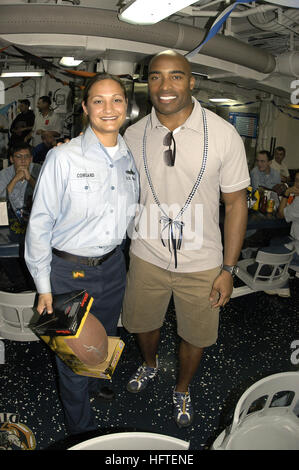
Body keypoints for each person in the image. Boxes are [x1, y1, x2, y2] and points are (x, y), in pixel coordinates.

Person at [121, 50, 250, 428]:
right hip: (146, 254)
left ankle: (182, 387)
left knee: (196, 335)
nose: (165, 86)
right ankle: (149, 363)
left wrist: (229, 268)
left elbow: (237, 203)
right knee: (142, 324)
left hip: (203, 261)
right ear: (148, 83)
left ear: (192, 82)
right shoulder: (133, 133)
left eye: (176, 76)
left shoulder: (223, 135)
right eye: (157, 77)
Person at [24, 73, 139, 436]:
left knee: (103, 338)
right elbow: (39, 225)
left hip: (112, 268)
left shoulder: (128, 159)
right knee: (73, 360)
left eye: (117, 99)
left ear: (127, 107)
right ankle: (84, 434)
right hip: (68, 272)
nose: (109, 108)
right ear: (86, 107)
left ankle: (94, 382)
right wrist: (43, 286)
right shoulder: (63, 157)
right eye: (99, 100)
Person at [0, 143, 40, 290]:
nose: (23, 161)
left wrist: (30, 179)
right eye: (19, 157)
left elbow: (47, 195)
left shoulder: (39, 170)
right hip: (9, 218)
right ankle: (18, 282)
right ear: (11, 159)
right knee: (3, 246)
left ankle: (34, 284)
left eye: (27, 157)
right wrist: (15, 180)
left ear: (31, 158)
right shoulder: (4, 175)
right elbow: (1, 203)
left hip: (35, 218)